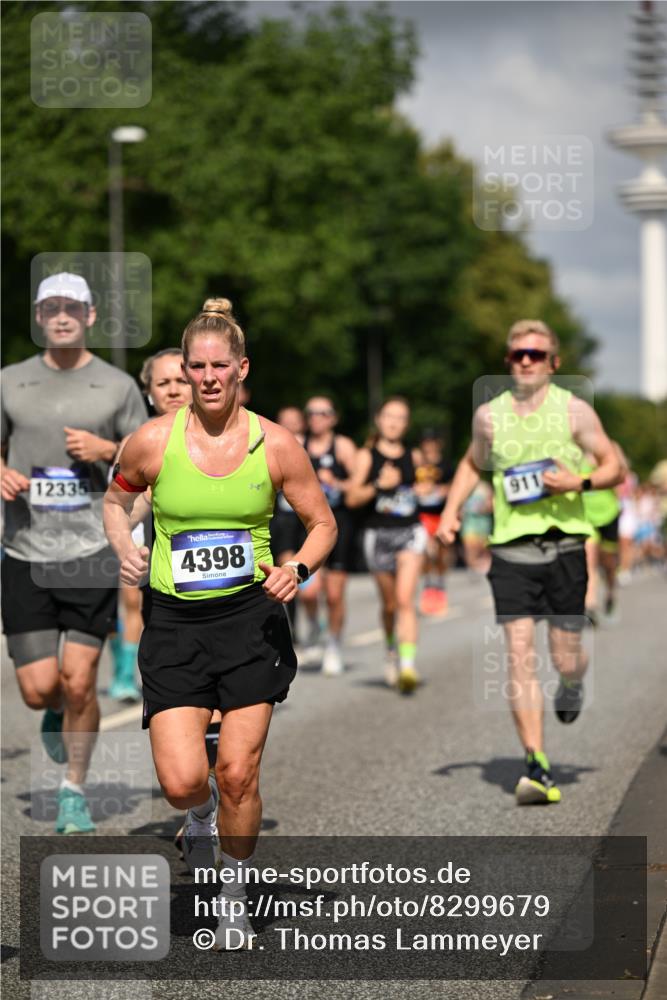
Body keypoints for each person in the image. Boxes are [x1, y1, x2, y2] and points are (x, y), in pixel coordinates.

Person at [104, 298, 336, 949]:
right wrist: (123, 545)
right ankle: (199, 814)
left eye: (219, 366)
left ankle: (233, 896)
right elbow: (116, 501)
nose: (208, 378)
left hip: (250, 621)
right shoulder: (153, 441)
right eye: (197, 367)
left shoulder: (276, 444)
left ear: (241, 368)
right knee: (183, 781)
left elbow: (322, 523)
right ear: (185, 370)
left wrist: (297, 567)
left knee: (237, 771)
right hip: (174, 624)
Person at [438, 319, 622, 806]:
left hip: (565, 547)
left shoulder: (575, 411)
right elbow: (471, 463)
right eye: (518, 354)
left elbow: (615, 466)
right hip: (511, 549)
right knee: (519, 652)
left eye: (535, 354)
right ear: (508, 362)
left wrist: (578, 483)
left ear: (553, 363)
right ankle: (536, 764)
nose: (526, 361)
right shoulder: (489, 416)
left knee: (564, 655)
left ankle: (572, 680)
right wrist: (451, 511)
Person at [1, 272, 146, 833]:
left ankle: (72, 791)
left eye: (72, 307)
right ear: (39, 317)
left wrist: (107, 448)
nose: (61, 316)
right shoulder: (10, 381)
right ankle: (57, 710)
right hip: (26, 549)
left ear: (90, 316)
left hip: (90, 547)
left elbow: (146, 457)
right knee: (41, 689)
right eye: (50, 308)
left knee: (82, 679)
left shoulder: (116, 385)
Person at [347, 397, 427, 694]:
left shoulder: (414, 456)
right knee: (390, 604)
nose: (394, 422)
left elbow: (423, 489)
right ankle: (392, 650)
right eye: (389, 416)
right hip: (377, 534)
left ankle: (407, 666)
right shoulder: (365, 456)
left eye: (401, 417)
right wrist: (380, 485)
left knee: (405, 600)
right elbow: (352, 498)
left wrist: (424, 491)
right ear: (379, 420)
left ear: (407, 424)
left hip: (409, 531)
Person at [299, 397, 357, 676]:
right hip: (307, 526)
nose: (316, 417)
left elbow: (359, 485)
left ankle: (334, 644)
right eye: (311, 413)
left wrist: (338, 484)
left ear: (333, 417)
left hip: (338, 525)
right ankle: (313, 624)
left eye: (323, 413)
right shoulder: (298, 444)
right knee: (308, 591)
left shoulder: (343, 446)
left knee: (334, 595)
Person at [581, 444, 626, 624]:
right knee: (589, 559)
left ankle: (610, 592)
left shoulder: (610, 447)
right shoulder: (576, 451)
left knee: (608, 563)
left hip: (608, 514)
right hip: (587, 515)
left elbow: (622, 475)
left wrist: (605, 467)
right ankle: (590, 605)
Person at [414, 430, 452, 615]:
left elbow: (454, 485)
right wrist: (418, 489)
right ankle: (428, 587)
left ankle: (440, 586)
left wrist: (441, 490)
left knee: (441, 554)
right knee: (425, 552)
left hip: (440, 515)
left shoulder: (445, 464)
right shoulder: (417, 463)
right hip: (422, 516)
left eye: (432, 442)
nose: (428, 446)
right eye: (425, 442)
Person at [460, 478, 494, 574]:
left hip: (483, 525)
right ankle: (472, 571)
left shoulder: (485, 487)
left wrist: (482, 508)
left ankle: (481, 572)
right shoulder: (463, 487)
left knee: (483, 550)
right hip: (469, 525)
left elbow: (491, 505)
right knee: (471, 550)